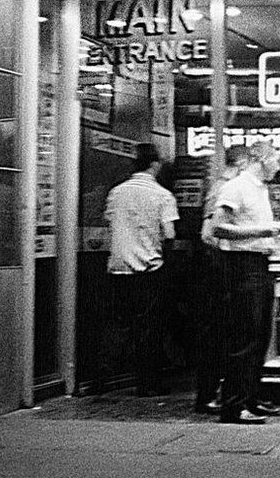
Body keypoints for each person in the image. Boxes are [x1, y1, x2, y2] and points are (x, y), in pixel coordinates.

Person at [209, 140, 280, 425]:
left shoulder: (260, 189)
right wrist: (265, 230)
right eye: (276, 157)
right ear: (261, 158)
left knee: (260, 336)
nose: (278, 164)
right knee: (245, 336)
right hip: (244, 267)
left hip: (260, 265)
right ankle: (232, 405)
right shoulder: (236, 187)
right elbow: (218, 227)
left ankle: (250, 398)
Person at [102, 143, 179, 397]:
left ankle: (105, 378)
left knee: (121, 326)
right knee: (150, 329)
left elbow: (110, 224)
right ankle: (148, 383)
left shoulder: (116, 193)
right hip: (149, 270)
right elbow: (169, 234)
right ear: (155, 165)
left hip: (118, 268)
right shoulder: (162, 196)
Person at [193, 144, 250, 415]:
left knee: (219, 334)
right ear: (242, 163)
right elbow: (209, 231)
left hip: (216, 268)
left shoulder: (222, 185)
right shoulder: (225, 187)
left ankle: (212, 392)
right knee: (216, 333)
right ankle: (206, 395)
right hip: (217, 269)